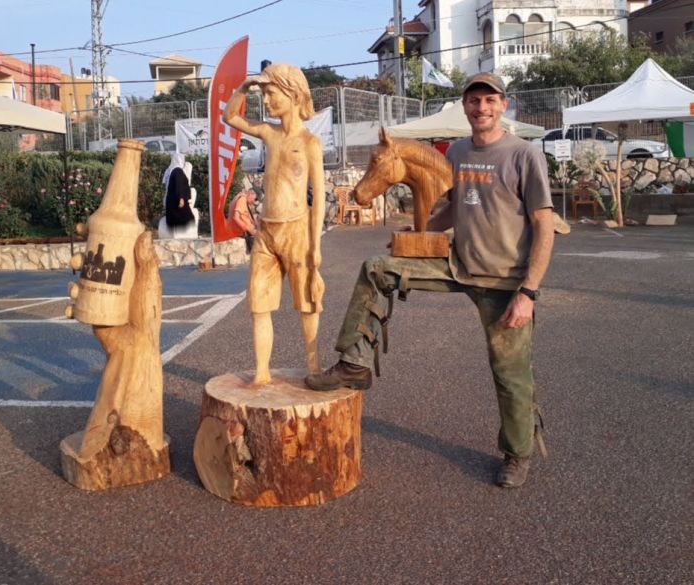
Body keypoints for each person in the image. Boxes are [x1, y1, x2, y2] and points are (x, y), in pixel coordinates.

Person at [305, 72, 555, 489]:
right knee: (378, 267)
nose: (482, 108)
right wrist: (413, 240)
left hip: (505, 282)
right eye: (474, 101)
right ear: (466, 107)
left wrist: (528, 292)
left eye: (490, 100)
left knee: (510, 374)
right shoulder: (457, 151)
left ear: (503, 106)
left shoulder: (525, 155)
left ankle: (517, 454)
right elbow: (453, 210)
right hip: (456, 264)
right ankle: (354, 364)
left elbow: (544, 227)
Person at [223, 63, 326, 386]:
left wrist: (316, 246)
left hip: (297, 229)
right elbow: (231, 118)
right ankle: (262, 371)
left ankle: (314, 365)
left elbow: (319, 197)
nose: (265, 101)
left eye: (271, 93)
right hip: (266, 232)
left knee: (308, 304)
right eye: (264, 94)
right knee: (259, 304)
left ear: (293, 93)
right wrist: (243, 89)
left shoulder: (310, 143)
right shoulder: (269, 132)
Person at [227, 189, 258, 253]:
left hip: (244, 231)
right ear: (250, 194)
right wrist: (248, 228)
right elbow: (236, 217)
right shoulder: (242, 199)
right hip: (242, 232)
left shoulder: (242, 199)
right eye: (255, 199)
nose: (254, 202)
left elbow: (246, 217)